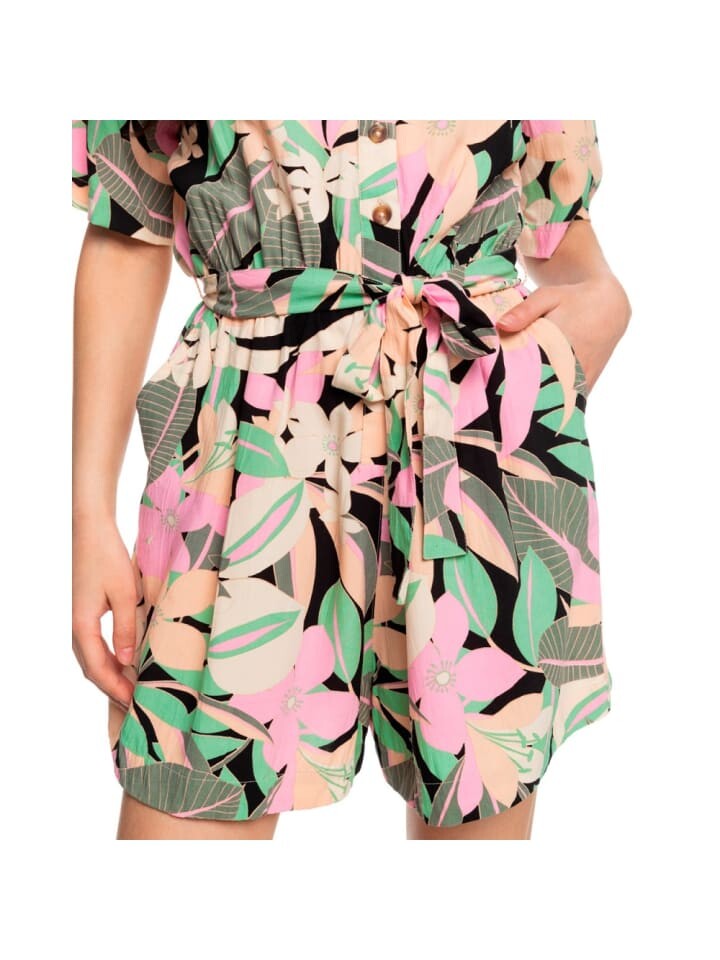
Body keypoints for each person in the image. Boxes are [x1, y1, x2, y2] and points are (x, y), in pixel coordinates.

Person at [71, 120, 630, 841]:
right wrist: (89, 514)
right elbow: (128, 224)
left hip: (471, 437)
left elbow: (558, 221)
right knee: (188, 791)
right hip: (248, 450)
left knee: (476, 833)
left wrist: (603, 299)